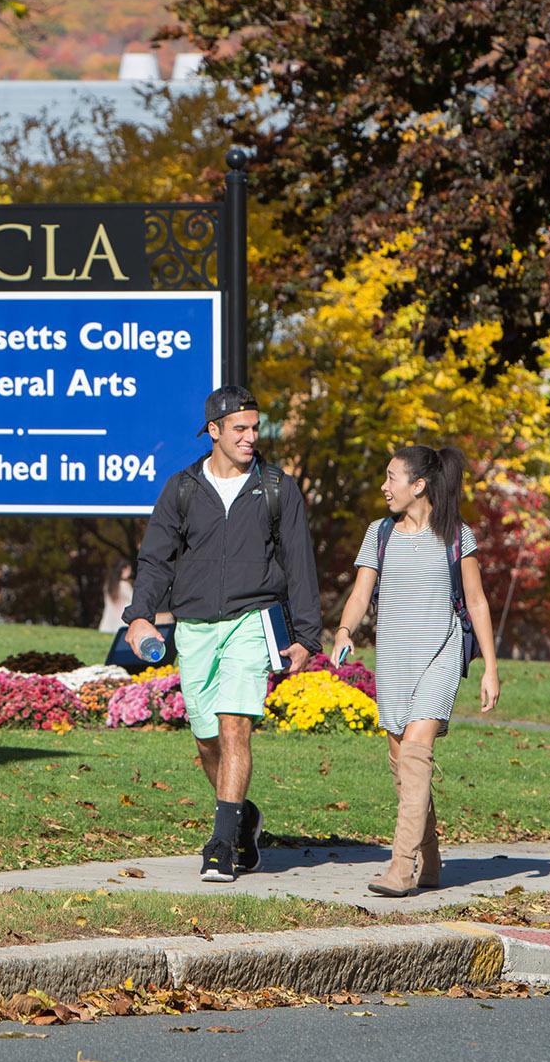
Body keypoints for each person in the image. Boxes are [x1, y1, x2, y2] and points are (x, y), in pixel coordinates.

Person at [124, 384, 322, 881]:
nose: (251, 437)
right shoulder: (182, 489)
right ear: (213, 431)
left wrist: (306, 635)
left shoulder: (277, 487)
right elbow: (155, 560)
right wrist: (140, 614)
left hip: (253, 621)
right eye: (240, 428)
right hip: (194, 626)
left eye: (255, 428)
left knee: (235, 725)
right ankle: (243, 819)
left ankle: (220, 844)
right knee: (207, 739)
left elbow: (299, 563)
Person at [333, 445, 499, 897]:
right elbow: (361, 593)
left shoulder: (456, 536)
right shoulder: (379, 534)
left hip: (440, 654)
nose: (385, 487)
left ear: (418, 485)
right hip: (394, 659)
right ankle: (430, 857)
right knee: (403, 765)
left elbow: (478, 602)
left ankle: (400, 866)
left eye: (392, 478)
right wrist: (345, 630)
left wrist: (490, 668)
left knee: (416, 752)